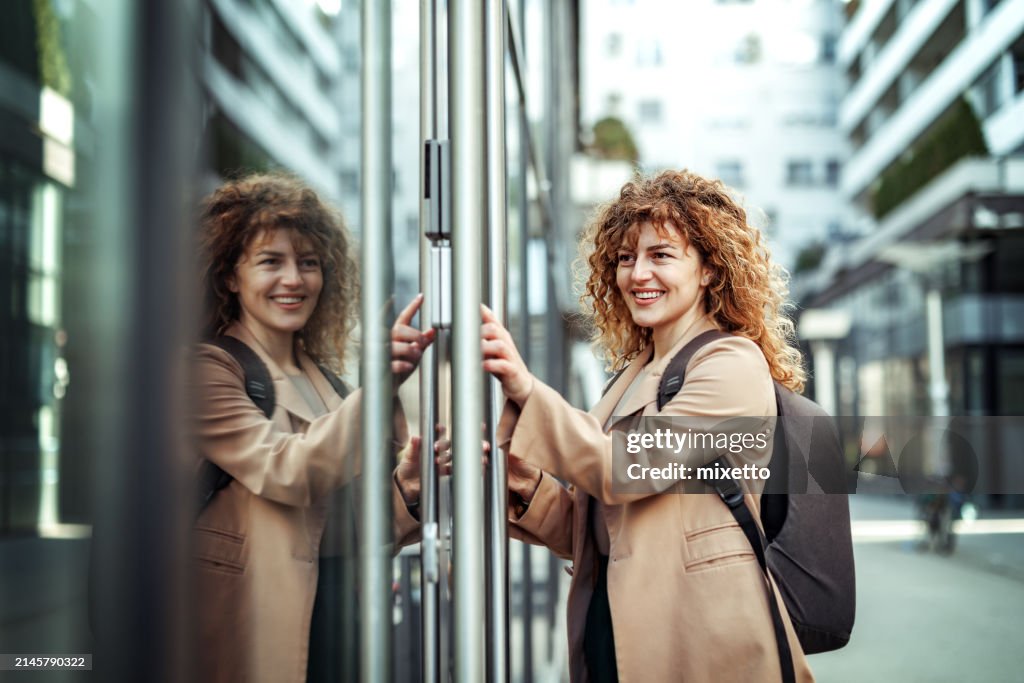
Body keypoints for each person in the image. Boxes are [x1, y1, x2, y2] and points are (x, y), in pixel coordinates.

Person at [482, 169, 815, 682]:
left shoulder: (731, 363)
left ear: (708, 269)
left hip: (701, 638)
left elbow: (633, 467)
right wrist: (524, 487)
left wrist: (527, 390)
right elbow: (603, 529)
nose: (638, 274)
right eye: (624, 258)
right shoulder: (632, 376)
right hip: (620, 627)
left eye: (661, 255)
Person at [192, 173, 430, 683]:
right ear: (230, 276)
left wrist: (407, 488)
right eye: (270, 261)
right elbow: (287, 472)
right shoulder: (207, 369)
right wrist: (377, 388)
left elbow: (348, 529)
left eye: (308, 262)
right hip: (251, 627)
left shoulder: (329, 384)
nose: (294, 280)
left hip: (336, 622)